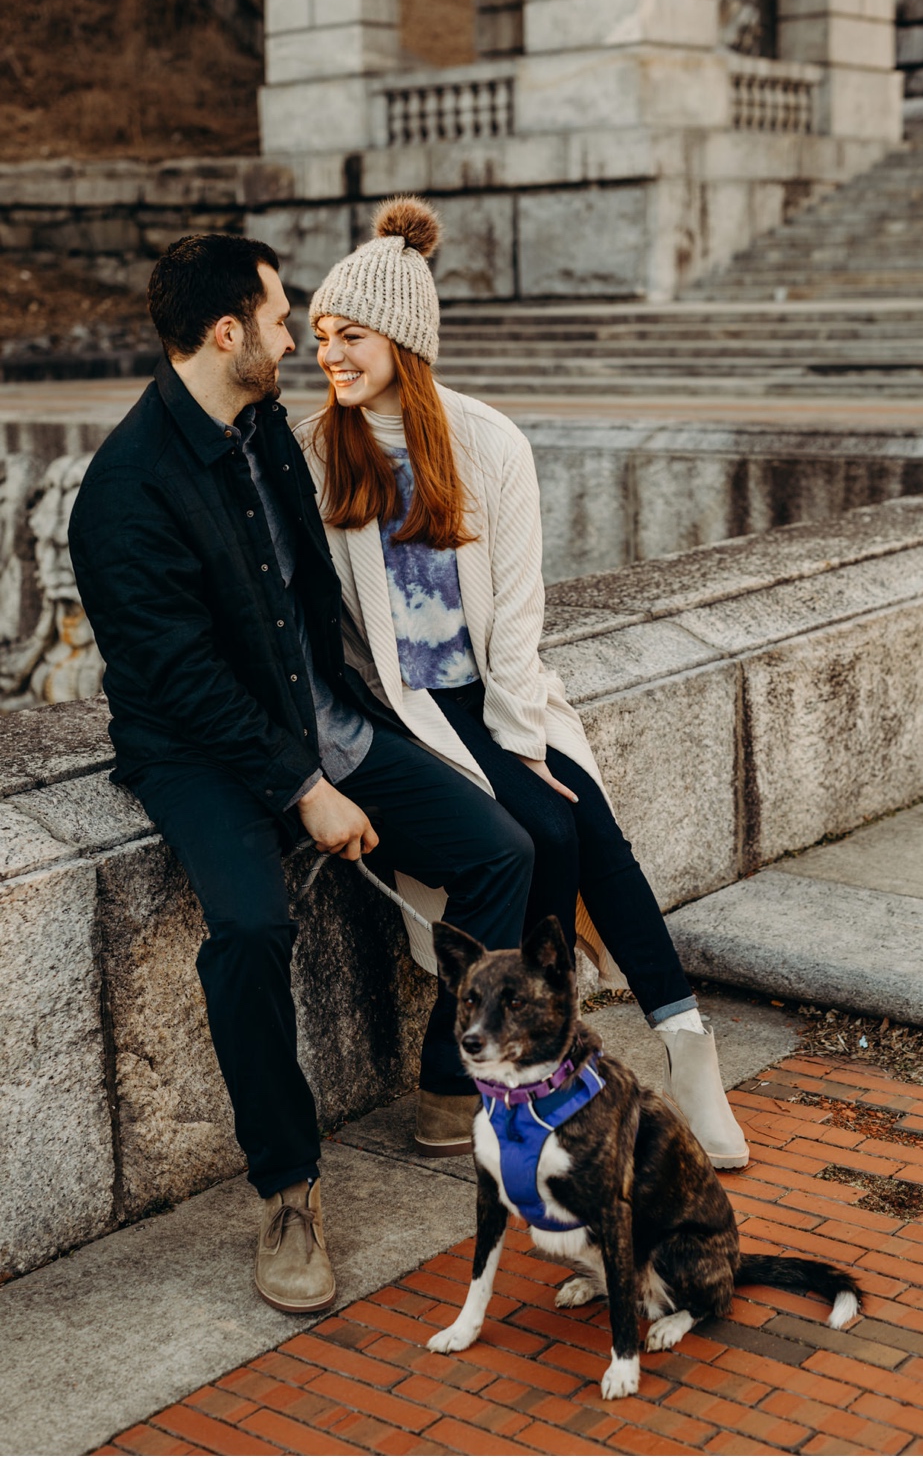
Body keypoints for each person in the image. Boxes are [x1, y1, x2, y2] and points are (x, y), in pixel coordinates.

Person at [69, 233, 538, 1316]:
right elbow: (180, 680)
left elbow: (313, 604)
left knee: (502, 851)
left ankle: (439, 1085)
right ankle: (287, 1190)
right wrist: (302, 789)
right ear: (227, 331)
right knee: (248, 930)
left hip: (318, 718)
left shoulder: (263, 434)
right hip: (199, 752)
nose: (296, 340)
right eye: (282, 320)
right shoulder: (123, 492)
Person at [291, 197, 748, 1170]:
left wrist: (525, 743)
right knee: (537, 834)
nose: (329, 353)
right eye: (321, 336)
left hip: (497, 692)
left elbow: (518, 612)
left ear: (405, 339)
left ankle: (685, 1042)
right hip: (399, 712)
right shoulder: (317, 453)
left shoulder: (489, 442)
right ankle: (535, 1051)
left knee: (577, 815)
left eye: (351, 335)